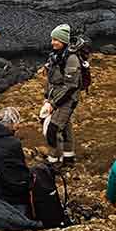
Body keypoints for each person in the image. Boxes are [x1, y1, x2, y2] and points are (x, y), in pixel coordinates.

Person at [43, 24, 84, 167]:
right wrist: (47, 97)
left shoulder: (71, 59)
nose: (53, 42)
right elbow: (51, 79)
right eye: (52, 39)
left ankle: (54, 162)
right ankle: (69, 158)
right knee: (65, 127)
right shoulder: (56, 55)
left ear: (64, 41)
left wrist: (53, 104)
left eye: (57, 40)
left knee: (52, 130)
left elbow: (71, 86)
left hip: (67, 98)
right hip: (56, 96)